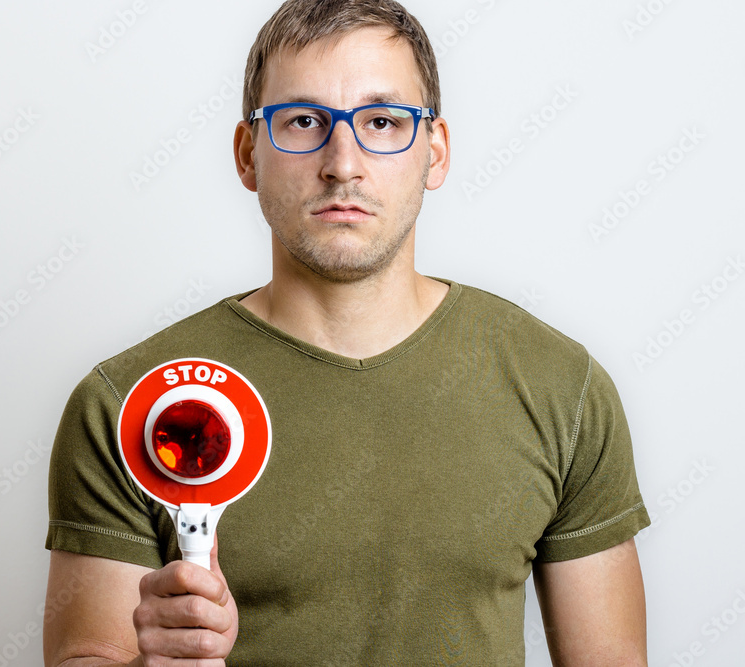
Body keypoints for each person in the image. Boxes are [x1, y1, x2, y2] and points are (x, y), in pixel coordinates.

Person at [42, 0, 651, 664]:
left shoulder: (560, 387)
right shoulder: (132, 403)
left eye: (382, 121)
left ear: (435, 152)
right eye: (302, 120)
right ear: (248, 155)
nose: (343, 163)